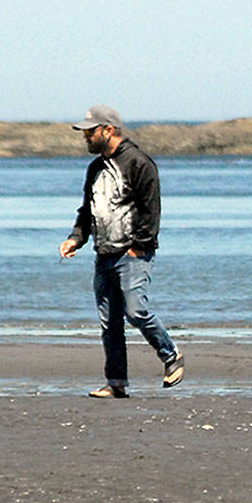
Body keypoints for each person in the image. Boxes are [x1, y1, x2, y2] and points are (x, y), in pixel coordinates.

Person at [59, 105, 184, 398]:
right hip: (104, 254)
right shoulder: (95, 169)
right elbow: (88, 210)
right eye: (85, 132)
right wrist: (76, 238)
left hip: (132, 253)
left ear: (108, 130)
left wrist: (139, 247)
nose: (86, 137)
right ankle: (116, 382)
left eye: (91, 131)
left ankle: (171, 355)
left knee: (135, 310)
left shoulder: (139, 163)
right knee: (109, 321)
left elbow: (151, 210)